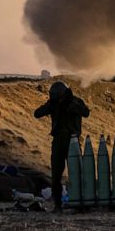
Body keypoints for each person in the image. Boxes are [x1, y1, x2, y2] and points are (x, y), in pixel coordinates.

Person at [34, 81, 90, 211]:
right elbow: (37, 113)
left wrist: (71, 104)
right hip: (58, 141)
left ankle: (79, 202)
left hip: (73, 142)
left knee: (76, 173)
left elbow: (86, 113)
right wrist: (51, 105)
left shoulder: (75, 102)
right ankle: (58, 204)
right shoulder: (53, 104)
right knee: (56, 176)